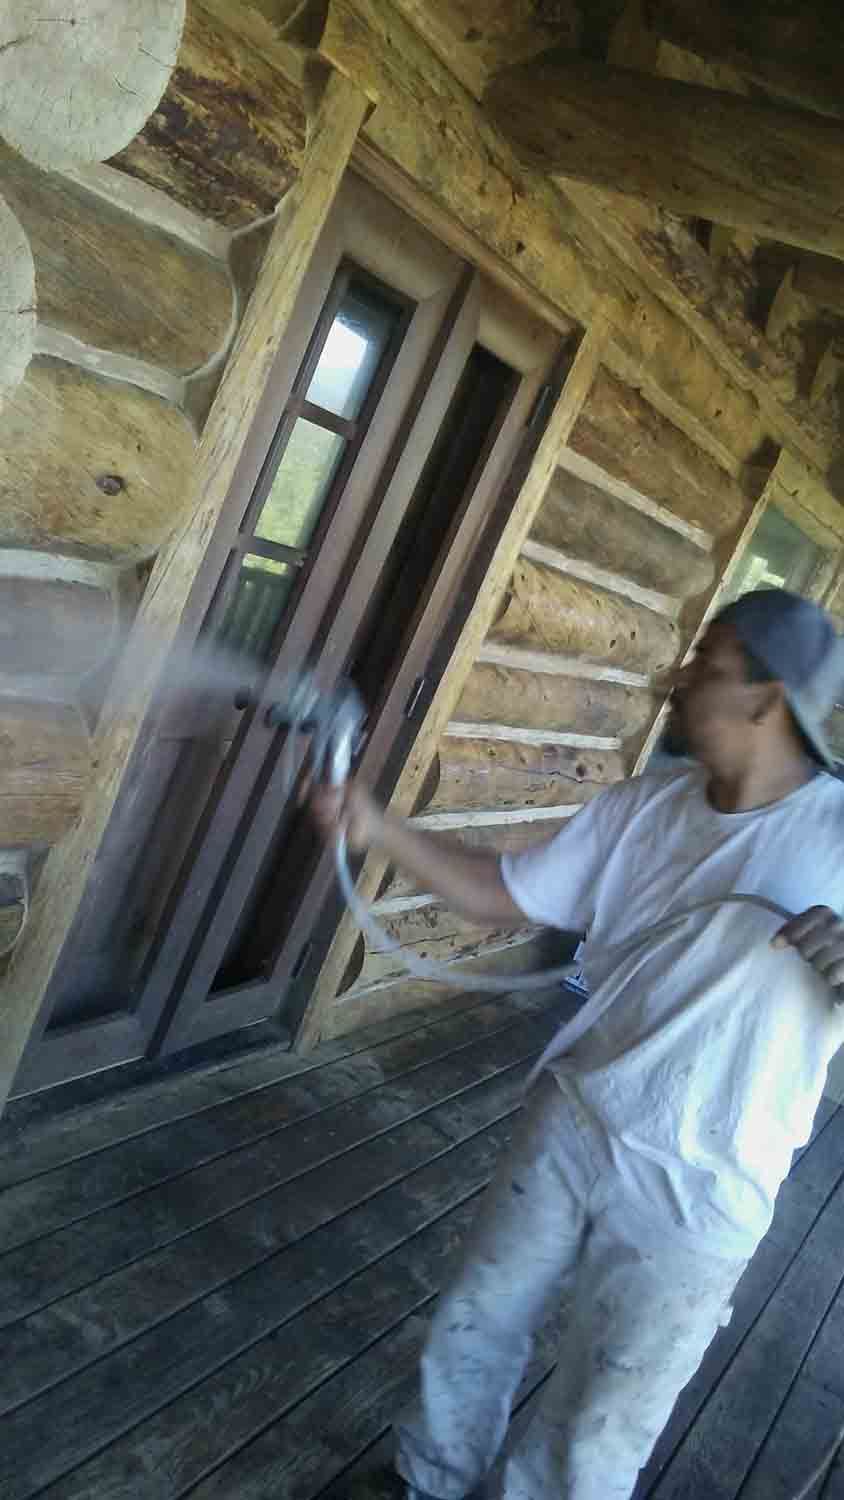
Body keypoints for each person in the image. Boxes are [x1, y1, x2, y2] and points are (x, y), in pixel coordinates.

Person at [308, 589, 844, 1500]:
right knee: (478, 1316)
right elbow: (505, 893)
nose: (677, 678)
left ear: (767, 698)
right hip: (576, 1116)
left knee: (603, 1414)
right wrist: (376, 826)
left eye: (706, 664)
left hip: (703, 1186)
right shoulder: (645, 806)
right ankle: (425, 1482)